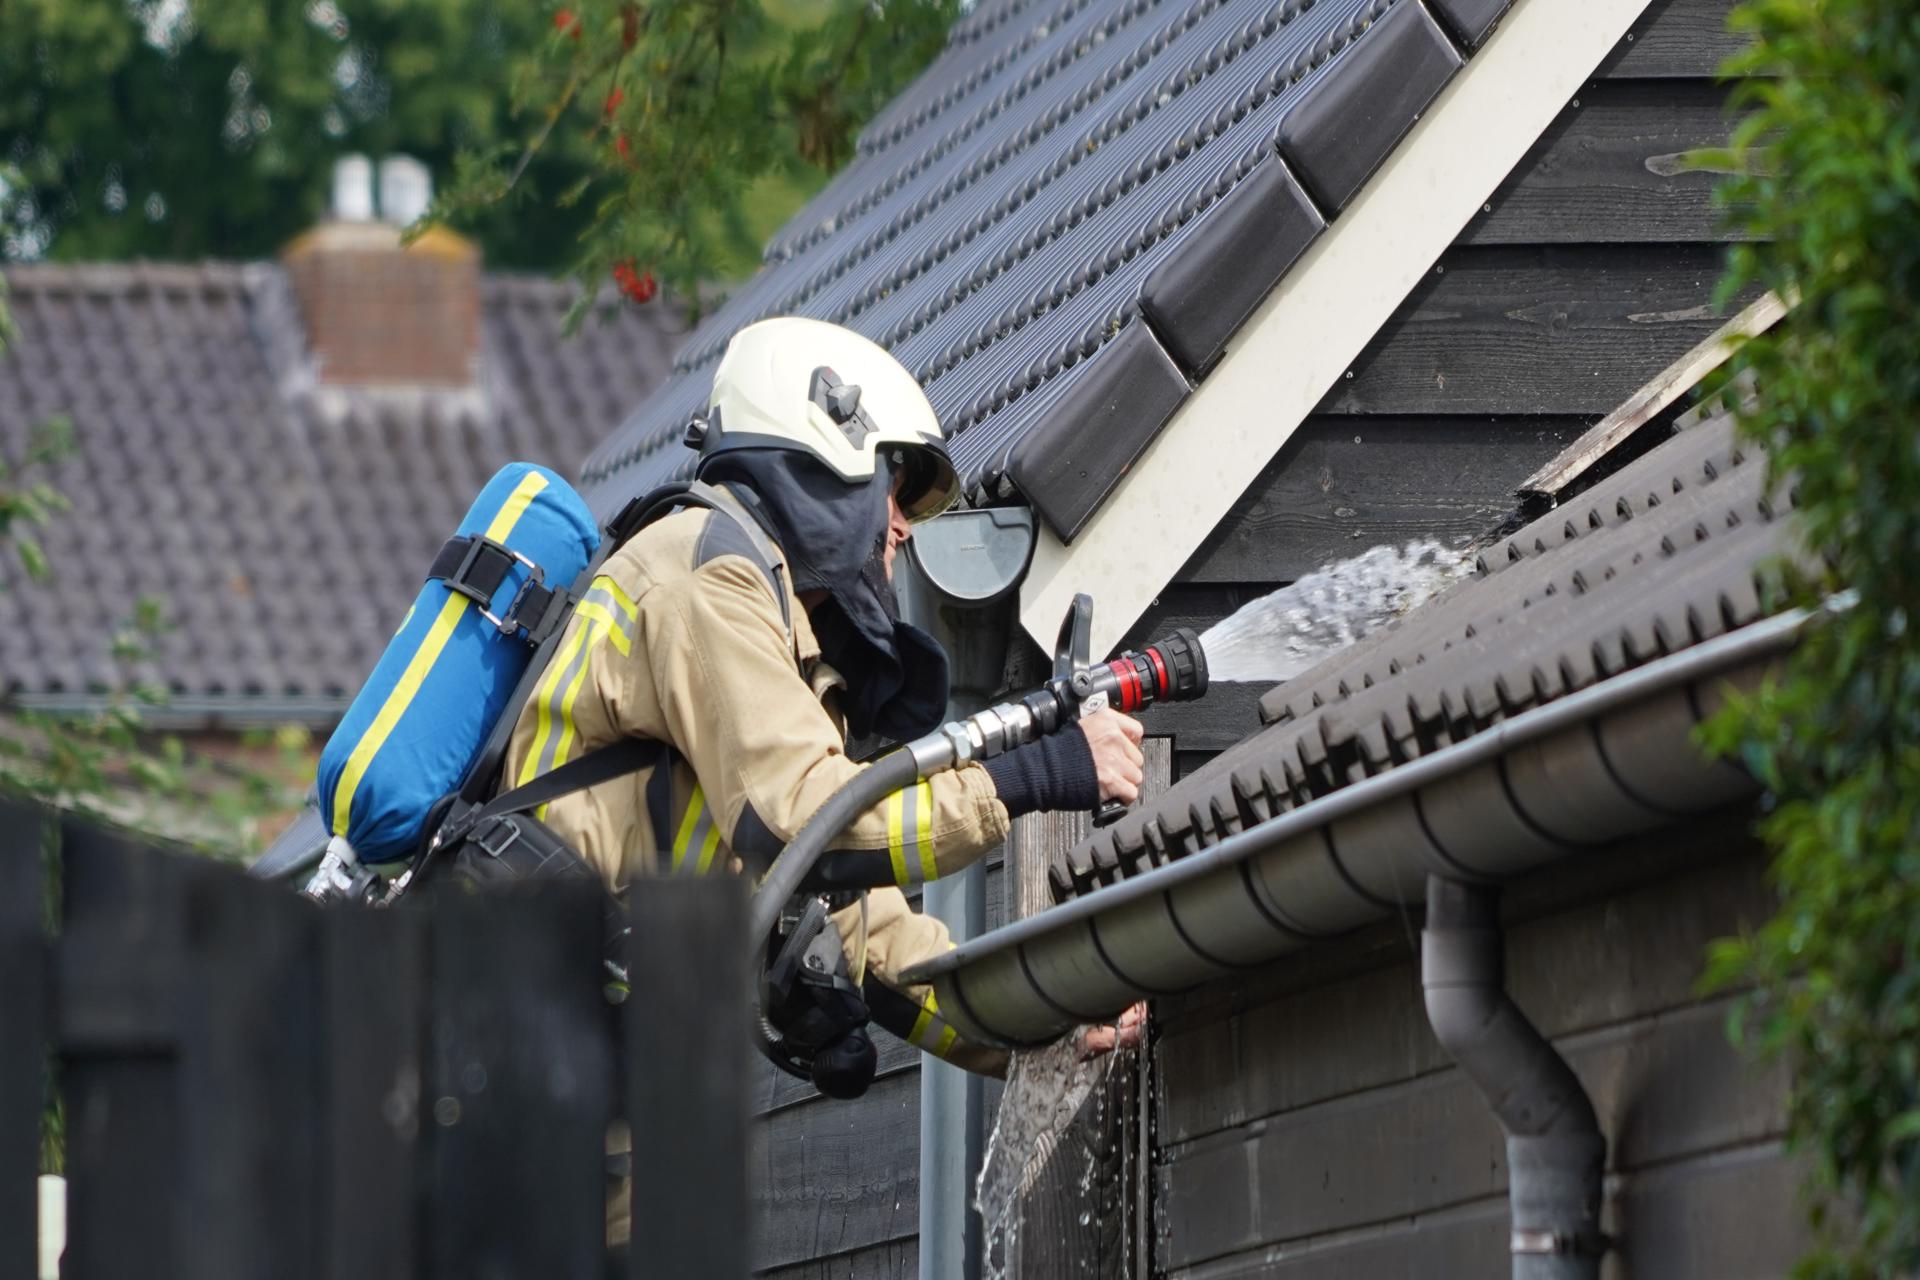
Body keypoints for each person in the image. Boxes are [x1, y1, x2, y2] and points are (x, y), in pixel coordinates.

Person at [501, 316, 1147, 1080]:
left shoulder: (770, 622)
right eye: (893, 490)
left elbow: (874, 938)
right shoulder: (707, 576)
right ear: (821, 464)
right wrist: (1039, 774)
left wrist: (1049, 1025)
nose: (902, 528)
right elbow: (810, 824)